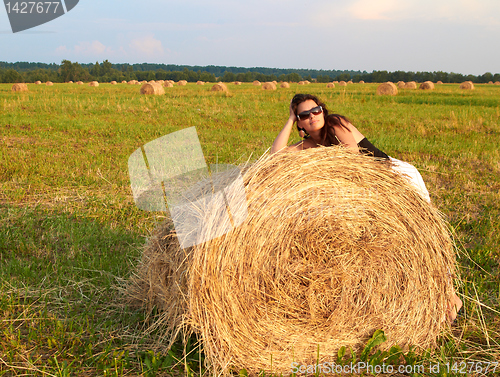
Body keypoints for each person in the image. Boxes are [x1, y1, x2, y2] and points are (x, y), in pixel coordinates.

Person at [271, 93, 462, 323]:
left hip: (396, 176)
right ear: (300, 122)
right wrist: (289, 120)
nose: (313, 116)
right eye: (304, 115)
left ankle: (450, 295)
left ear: (323, 110)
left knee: (423, 236)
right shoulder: (309, 144)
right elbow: (277, 156)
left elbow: (356, 164)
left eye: (316, 110)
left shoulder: (335, 124)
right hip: (371, 191)